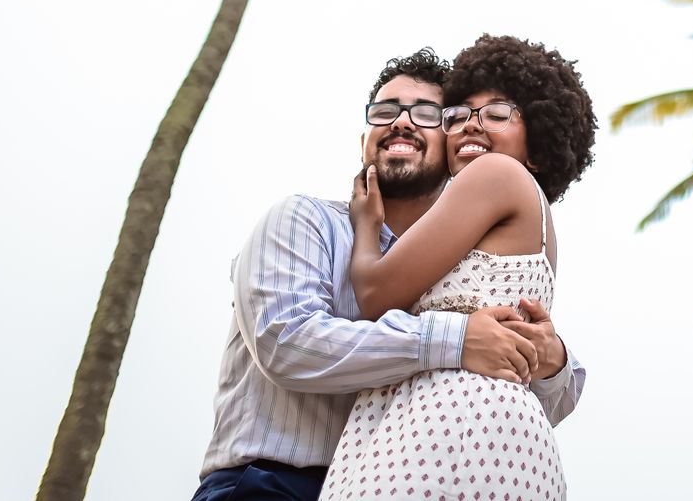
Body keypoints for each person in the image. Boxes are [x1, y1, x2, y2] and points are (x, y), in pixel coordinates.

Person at [192, 48, 585, 501]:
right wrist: (457, 340)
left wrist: (550, 356)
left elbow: (550, 388)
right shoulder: (304, 220)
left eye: (427, 113)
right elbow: (286, 341)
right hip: (271, 483)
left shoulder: (460, 256)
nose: (401, 121)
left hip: (409, 472)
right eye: (385, 111)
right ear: (364, 136)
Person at [320, 34, 598, 501]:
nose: (471, 125)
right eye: (458, 115)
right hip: (501, 438)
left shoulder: (496, 175)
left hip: (452, 424)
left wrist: (367, 224)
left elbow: (374, 296)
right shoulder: (528, 214)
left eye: (495, 114)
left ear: (537, 145)